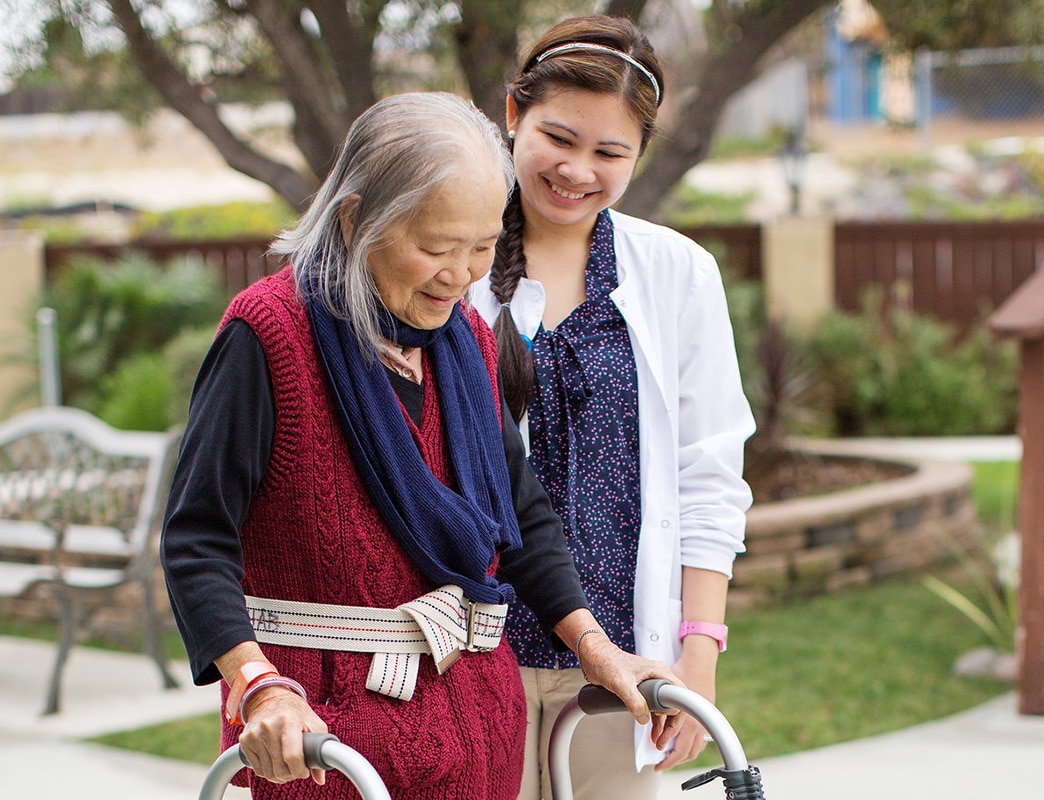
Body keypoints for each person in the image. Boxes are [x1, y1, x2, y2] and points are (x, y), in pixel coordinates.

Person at [160, 91, 682, 800]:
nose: (463, 274)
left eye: (481, 246)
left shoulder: (464, 339)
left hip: (478, 737)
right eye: (436, 247)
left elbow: (521, 513)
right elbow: (197, 538)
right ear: (355, 220)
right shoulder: (270, 336)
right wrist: (258, 688)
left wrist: (596, 648)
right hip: (325, 748)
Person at [469, 15, 755, 800]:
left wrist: (698, 652)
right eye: (558, 138)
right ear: (511, 116)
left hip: (624, 671)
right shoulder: (451, 256)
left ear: (640, 155)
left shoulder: (677, 275)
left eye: (608, 153)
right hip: (467, 660)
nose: (576, 170)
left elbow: (710, 475)